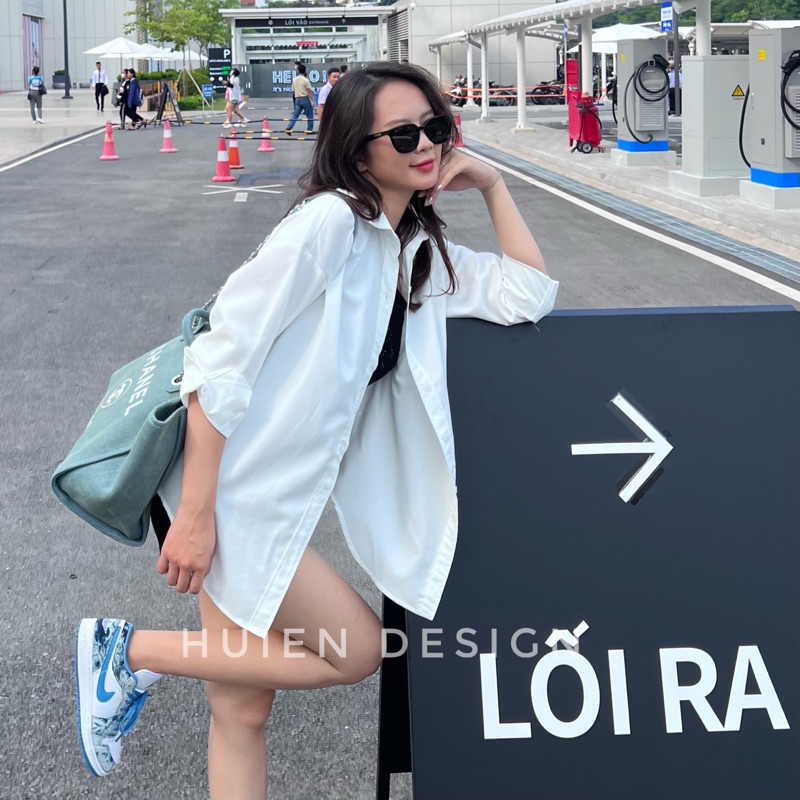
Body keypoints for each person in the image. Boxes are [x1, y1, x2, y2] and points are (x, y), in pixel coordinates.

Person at [73, 63, 558, 796]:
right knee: (356, 651)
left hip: (267, 494)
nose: (427, 145)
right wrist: (197, 516)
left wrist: (492, 184)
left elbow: (527, 293)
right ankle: (127, 651)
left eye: (437, 128)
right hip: (228, 486)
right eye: (403, 135)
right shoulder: (331, 224)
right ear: (358, 151)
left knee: (241, 707)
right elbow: (220, 361)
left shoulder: (415, 252)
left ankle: (127, 656)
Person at [285, 63, 315, 135]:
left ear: (298, 71)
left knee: (295, 114)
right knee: (309, 114)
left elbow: (294, 90)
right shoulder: (306, 80)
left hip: (297, 98)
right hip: (305, 98)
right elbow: (309, 91)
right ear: (305, 71)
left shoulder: (294, 79)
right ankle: (309, 129)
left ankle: (289, 127)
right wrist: (312, 100)